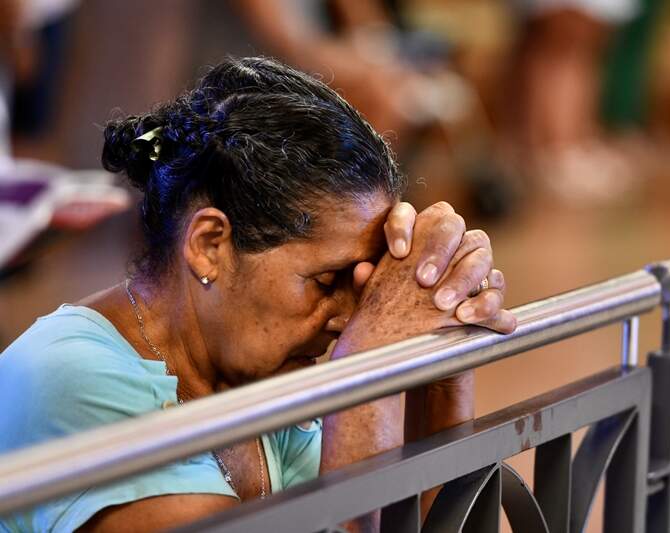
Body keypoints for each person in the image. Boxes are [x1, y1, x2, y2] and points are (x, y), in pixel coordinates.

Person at [0, 56, 515, 532]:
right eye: (327, 281)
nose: (349, 317)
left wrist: (444, 347)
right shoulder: (70, 382)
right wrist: (369, 361)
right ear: (209, 245)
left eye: (368, 282)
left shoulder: (257, 374)